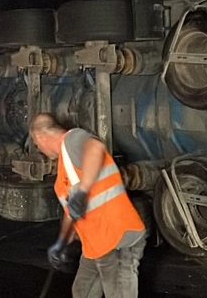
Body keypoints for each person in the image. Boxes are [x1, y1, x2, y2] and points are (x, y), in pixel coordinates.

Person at [29, 113, 146, 298]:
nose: (39, 149)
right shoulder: (63, 173)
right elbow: (71, 212)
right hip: (95, 244)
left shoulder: (73, 139)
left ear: (41, 136)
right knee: (82, 292)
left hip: (117, 238)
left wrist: (83, 190)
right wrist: (62, 243)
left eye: (36, 144)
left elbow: (96, 147)